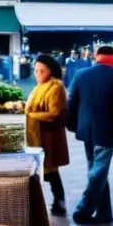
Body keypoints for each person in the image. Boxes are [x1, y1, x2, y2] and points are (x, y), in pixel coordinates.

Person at [66, 45, 113, 225]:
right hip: (107, 131)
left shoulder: (81, 74)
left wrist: (73, 125)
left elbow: (71, 103)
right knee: (98, 172)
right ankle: (85, 209)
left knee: (95, 170)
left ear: (97, 57)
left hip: (86, 130)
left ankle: (105, 213)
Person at [25, 55, 70, 217]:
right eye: (36, 71)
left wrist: (30, 115)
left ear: (50, 71)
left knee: (50, 170)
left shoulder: (55, 87)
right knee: (45, 169)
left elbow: (54, 113)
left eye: (41, 71)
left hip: (49, 135)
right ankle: (56, 202)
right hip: (37, 134)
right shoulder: (39, 86)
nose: (38, 74)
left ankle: (60, 202)